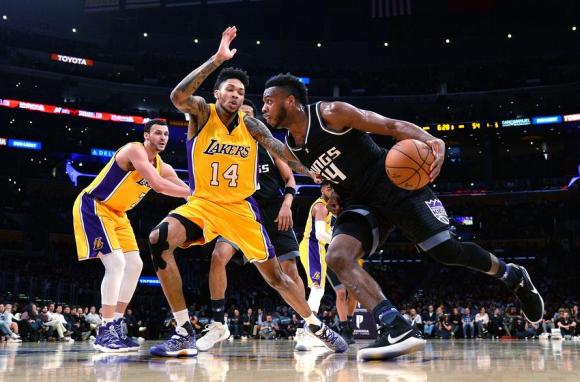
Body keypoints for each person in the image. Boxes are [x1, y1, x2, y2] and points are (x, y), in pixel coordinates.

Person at [261, 73, 544, 360]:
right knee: (337, 257)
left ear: (291, 101)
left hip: (395, 184)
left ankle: (513, 276)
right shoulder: (293, 143)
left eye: (268, 101)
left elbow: (390, 125)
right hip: (360, 202)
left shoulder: (330, 113)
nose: (264, 108)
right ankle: (396, 326)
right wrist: (329, 189)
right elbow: (323, 172)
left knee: (447, 251)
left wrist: (431, 140)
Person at [148, 27, 346, 357]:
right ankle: (183, 330)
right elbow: (177, 98)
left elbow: (280, 151)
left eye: (241, 92)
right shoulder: (201, 113)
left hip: (241, 209)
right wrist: (218, 58)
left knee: (278, 278)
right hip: (202, 205)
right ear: (216, 93)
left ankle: (314, 325)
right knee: (158, 239)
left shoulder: (251, 124)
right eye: (230, 90)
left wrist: (312, 170)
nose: (236, 95)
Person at [72, 118, 191, 352]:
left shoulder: (163, 166)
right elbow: (158, 185)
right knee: (116, 263)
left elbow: (186, 191)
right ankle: (104, 331)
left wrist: (203, 201)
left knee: (135, 265)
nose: (163, 138)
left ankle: (116, 323)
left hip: (119, 214)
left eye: (166, 134)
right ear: (146, 136)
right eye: (158, 133)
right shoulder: (134, 149)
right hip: (96, 206)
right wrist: (194, 191)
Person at [197, 99, 305, 351]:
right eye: (239, 115)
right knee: (218, 256)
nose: (243, 119)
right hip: (240, 213)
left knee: (289, 269)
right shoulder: (226, 149)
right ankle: (218, 323)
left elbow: (290, 178)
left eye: (248, 116)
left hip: (274, 211)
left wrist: (287, 203)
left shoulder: (267, 146)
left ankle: (305, 327)